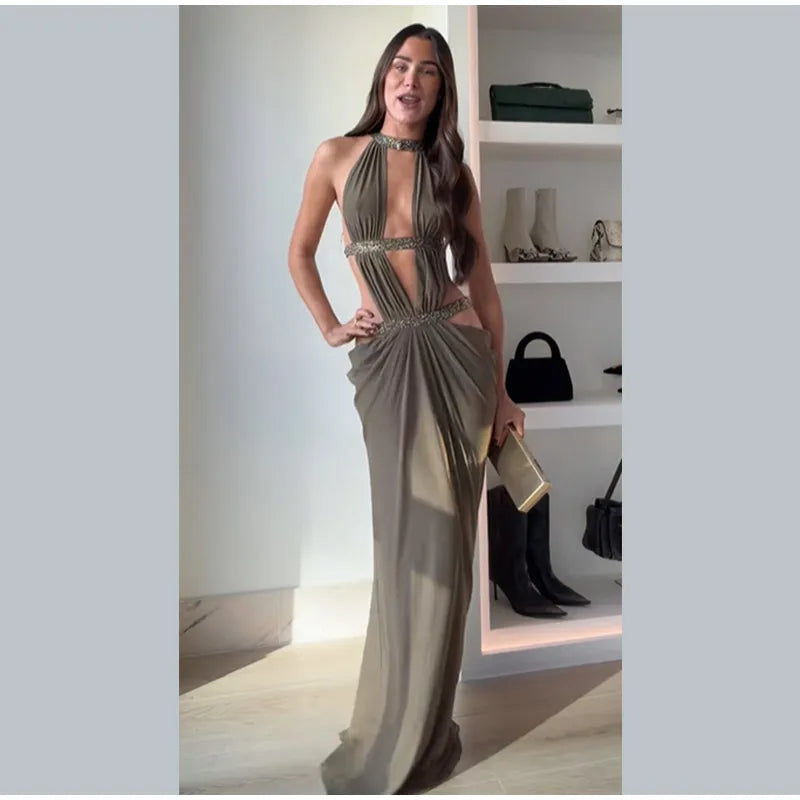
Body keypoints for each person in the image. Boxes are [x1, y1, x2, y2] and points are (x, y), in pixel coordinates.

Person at [288, 23, 525, 795]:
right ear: (383, 77)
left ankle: (426, 730)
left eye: (427, 70)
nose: (411, 80)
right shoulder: (335, 157)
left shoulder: (451, 172)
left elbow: (483, 289)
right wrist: (329, 325)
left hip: (458, 364)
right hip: (387, 363)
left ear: (439, 88)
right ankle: (390, 724)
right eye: (400, 65)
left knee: (451, 552)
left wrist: (501, 387)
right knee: (403, 546)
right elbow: (298, 251)